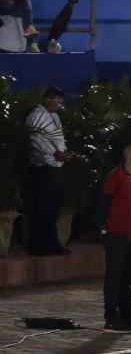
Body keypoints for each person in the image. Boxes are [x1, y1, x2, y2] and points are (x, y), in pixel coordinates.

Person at [100, 139, 131, 331]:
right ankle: (111, 316)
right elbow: (104, 202)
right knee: (114, 277)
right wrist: (103, 229)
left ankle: (127, 316)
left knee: (127, 279)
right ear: (127, 152)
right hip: (117, 233)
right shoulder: (116, 176)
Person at [25, 86, 71, 255]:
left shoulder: (55, 117)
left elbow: (59, 140)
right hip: (43, 169)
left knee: (53, 209)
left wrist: (65, 153)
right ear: (48, 99)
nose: (58, 104)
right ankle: (38, 245)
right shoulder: (35, 116)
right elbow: (36, 141)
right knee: (41, 208)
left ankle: (52, 242)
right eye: (56, 101)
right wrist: (55, 154)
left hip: (56, 168)